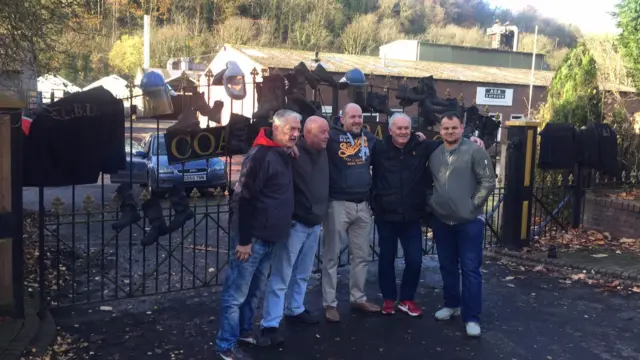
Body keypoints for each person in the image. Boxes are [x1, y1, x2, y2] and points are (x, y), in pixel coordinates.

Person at [371, 112, 484, 318]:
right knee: (385, 259)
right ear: (390, 130)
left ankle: (406, 299)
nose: (404, 132)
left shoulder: (421, 146)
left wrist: (471, 139)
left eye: (407, 128)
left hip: (412, 216)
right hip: (386, 215)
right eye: (399, 128)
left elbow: (450, 142)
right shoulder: (378, 148)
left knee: (414, 260)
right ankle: (388, 299)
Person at [215, 109, 301, 360]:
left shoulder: (280, 151)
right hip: (252, 239)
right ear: (275, 129)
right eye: (290, 130)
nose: (295, 134)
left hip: (270, 237)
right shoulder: (261, 155)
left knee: (254, 291)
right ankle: (225, 345)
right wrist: (243, 240)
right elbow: (243, 199)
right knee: (236, 293)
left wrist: (289, 149)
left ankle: (243, 332)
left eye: (297, 129)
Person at [257, 116, 330, 345]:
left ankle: (295, 308)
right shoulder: (290, 152)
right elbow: (266, 142)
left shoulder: (324, 148)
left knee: (303, 272)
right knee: (282, 274)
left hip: (315, 222)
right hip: (296, 223)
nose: (328, 136)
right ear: (307, 134)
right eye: (323, 132)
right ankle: (270, 323)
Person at [428, 112, 496, 338]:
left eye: (454, 128)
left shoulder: (475, 151)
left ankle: (472, 317)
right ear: (440, 130)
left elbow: (488, 181)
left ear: (462, 128)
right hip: (442, 221)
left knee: (470, 271)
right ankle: (451, 305)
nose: (449, 132)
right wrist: (432, 202)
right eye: (446, 128)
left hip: (468, 223)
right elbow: (429, 183)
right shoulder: (435, 154)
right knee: (447, 267)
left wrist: (472, 206)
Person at [322, 103, 381, 322]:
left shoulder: (369, 139)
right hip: (338, 204)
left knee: (361, 256)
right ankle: (330, 303)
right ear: (342, 118)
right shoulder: (331, 138)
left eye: (359, 116)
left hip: (363, 205)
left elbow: (394, 145)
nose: (357, 120)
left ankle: (358, 298)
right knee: (331, 256)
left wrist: (421, 136)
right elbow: (310, 141)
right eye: (352, 116)